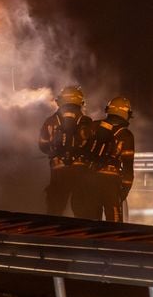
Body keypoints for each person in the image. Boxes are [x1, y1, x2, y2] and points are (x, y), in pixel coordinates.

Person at [73, 96, 135, 222]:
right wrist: (125, 190)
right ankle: (113, 242)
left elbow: (79, 149)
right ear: (126, 113)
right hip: (111, 182)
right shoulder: (126, 135)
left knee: (90, 221)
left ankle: (90, 241)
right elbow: (128, 167)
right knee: (114, 222)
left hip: (89, 178)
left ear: (108, 110)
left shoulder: (94, 125)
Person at [37, 85, 93, 215]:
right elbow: (92, 145)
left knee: (55, 210)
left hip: (58, 171)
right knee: (82, 210)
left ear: (60, 101)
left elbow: (42, 145)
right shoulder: (86, 121)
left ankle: (52, 233)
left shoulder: (50, 121)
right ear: (81, 102)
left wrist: (54, 150)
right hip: (81, 171)